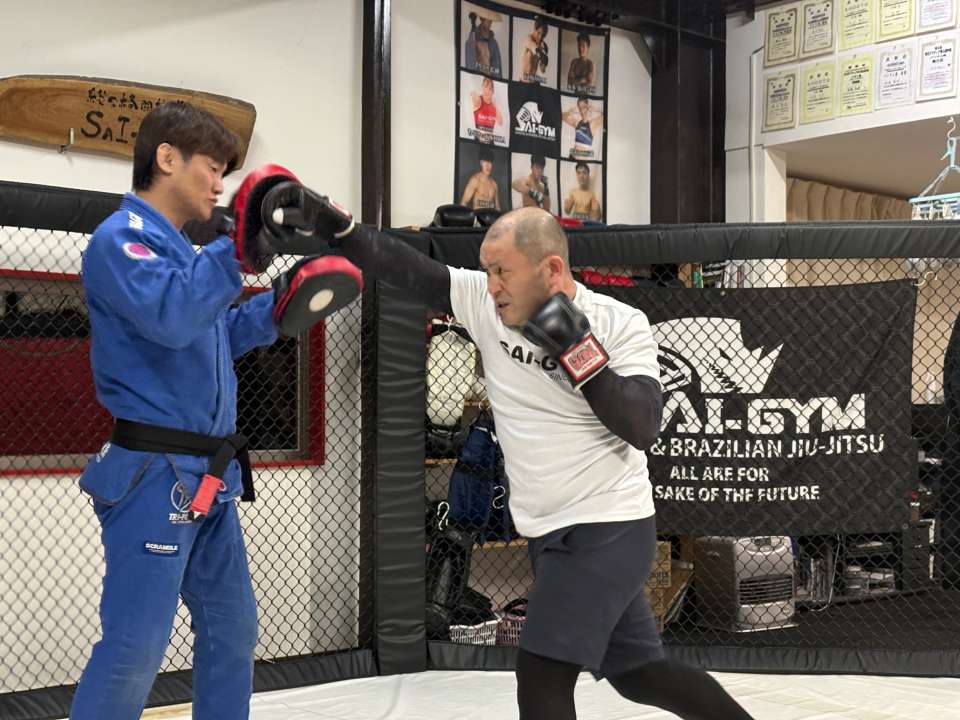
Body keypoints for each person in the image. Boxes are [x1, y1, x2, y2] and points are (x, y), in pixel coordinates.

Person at [272, 192, 758, 720]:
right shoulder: (485, 306)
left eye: (502, 271)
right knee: (640, 673)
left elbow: (641, 425)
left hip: (607, 528)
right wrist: (336, 227)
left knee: (542, 675)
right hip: (548, 533)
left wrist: (576, 349)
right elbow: (405, 267)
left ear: (551, 269)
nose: (492, 284)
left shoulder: (618, 322)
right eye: (487, 270)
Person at [70, 102, 359, 720]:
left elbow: (213, 336)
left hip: (208, 475)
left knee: (232, 629)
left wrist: (278, 306)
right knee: (135, 646)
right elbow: (175, 320)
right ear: (166, 158)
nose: (220, 186)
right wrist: (237, 251)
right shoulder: (119, 242)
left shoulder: (181, 251)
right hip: (153, 474)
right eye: (212, 167)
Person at [464, 7, 503, 77]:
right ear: (482, 19)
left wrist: (496, 80)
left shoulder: (493, 43)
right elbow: (470, 65)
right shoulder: (472, 40)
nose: (490, 23)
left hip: (491, 80)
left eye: (490, 21)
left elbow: (497, 69)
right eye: (487, 20)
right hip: (476, 80)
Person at [471, 76, 504, 142]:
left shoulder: (494, 105)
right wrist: (474, 95)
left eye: (490, 88)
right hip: (478, 140)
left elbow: (500, 122)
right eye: (485, 87)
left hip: (490, 141)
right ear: (482, 87)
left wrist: (496, 107)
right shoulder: (479, 100)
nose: (487, 91)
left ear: (492, 91)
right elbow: (475, 101)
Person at [520, 16, 550, 83]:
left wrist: (544, 61)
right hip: (523, 81)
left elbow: (543, 70)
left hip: (533, 81)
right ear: (534, 29)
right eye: (539, 33)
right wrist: (541, 54)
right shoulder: (528, 39)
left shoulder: (542, 45)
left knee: (544, 81)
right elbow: (533, 47)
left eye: (543, 35)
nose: (540, 37)